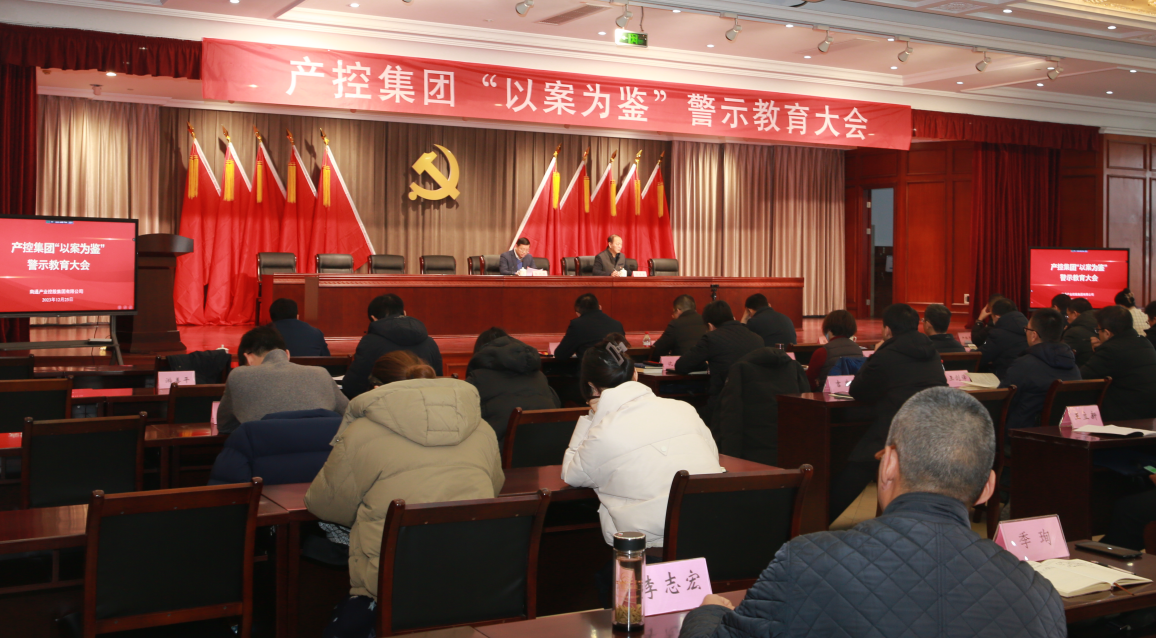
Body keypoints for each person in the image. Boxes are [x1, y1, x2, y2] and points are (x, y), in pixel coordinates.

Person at [679, 387, 1066, 638]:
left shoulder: (805, 562)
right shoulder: (1040, 598)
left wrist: (705, 614)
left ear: (889, 465)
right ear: (987, 488)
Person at [306, 369, 503, 638]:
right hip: (472, 572)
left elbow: (324, 505)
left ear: (378, 390)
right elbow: (494, 488)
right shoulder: (482, 429)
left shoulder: (360, 432)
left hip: (391, 580)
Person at [562, 334, 723, 549]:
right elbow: (713, 455)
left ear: (591, 387)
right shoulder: (685, 408)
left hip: (649, 547)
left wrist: (592, 417)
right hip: (710, 531)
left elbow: (571, 474)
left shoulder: (602, 432)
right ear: (635, 375)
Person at [831, 303, 947, 523]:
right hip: (933, 430)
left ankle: (818, 518)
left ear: (887, 330)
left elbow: (858, 390)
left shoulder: (887, 355)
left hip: (898, 433)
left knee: (859, 458)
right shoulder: (931, 352)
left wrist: (877, 353)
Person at [216, 326, 348, 434]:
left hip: (264, 456)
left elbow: (225, 426)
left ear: (248, 358)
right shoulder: (321, 373)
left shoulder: (239, 376)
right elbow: (350, 414)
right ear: (287, 354)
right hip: (321, 455)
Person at [713, 347, 810, 466]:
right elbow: (807, 407)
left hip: (751, 454)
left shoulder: (740, 369)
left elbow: (731, 416)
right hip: (790, 449)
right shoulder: (795, 367)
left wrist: (730, 457)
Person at [674, 300, 764, 423]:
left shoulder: (711, 338)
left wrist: (703, 364)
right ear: (732, 317)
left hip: (721, 408)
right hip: (754, 407)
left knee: (684, 418)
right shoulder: (757, 338)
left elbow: (681, 366)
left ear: (710, 326)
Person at [466, 330, 561, 444]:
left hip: (500, 449)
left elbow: (464, 420)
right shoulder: (540, 376)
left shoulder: (477, 379)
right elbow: (556, 405)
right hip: (549, 446)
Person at [343, 294, 443, 398]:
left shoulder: (369, 342)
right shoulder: (429, 342)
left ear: (373, 318)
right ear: (404, 313)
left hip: (384, 402)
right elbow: (438, 380)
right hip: (425, 400)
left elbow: (353, 385)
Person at [1000, 308, 1081, 431]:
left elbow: (1002, 402)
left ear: (1034, 335)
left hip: (1024, 435)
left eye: (1026, 329)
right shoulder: (1073, 366)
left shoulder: (1024, 364)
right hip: (1063, 435)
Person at [1080, 305, 1156, 421]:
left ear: (1107, 333)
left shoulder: (1109, 350)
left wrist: (1096, 352)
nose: (1097, 334)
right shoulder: (1145, 342)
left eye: (1098, 330)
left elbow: (1082, 377)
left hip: (1124, 417)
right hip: (1149, 414)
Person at [553, 293, 625, 360]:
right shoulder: (617, 324)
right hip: (616, 369)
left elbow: (560, 355)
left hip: (590, 368)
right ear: (600, 307)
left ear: (578, 314)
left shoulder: (577, 325)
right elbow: (623, 352)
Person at [805, 310, 864, 391]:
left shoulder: (822, 352)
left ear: (828, 329)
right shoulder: (858, 350)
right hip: (853, 394)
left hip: (825, 396)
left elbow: (808, 381)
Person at [978, 297, 1028, 380]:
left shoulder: (998, 334)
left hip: (1004, 380)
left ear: (997, 317)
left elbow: (981, 357)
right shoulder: (1030, 329)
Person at [1063, 297, 1097, 366]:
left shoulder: (1072, 333)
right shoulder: (1103, 326)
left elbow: (1063, 358)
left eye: (1067, 315)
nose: (1067, 319)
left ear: (1075, 314)